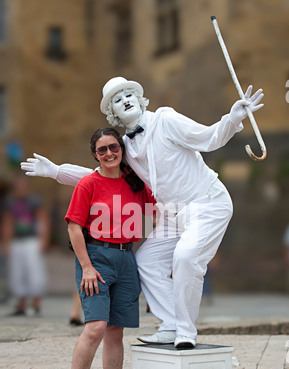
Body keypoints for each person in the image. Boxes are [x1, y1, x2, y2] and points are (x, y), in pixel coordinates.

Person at [20, 76, 264, 349]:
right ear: (113, 112)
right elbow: (98, 176)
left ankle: (186, 330)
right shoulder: (125, 148)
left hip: (207, 203)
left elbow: (207, 138)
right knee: (146, 260)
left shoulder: (166, 119)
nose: (124, 100)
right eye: (117, 99)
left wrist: (231, 119)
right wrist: (56, 172)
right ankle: (170, 323)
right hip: (172, 214)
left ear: (139, 99)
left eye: (128, 95)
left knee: (186, 258)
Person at [64, 127, 155, 369]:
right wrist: (87, 267)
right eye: (102, 150)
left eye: (113, 147)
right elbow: (74, 226)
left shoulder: (137, 185)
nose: (109, 154)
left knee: (116, 330)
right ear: (95, 155)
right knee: (95, 328)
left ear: (122, 149)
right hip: (96, 257)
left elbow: (159, 213)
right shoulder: (89, 183)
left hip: (127, 258)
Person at [1, 174, 49, 315]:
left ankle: (36, 303)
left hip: (32, 241)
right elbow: (7, 222)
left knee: (35, 271)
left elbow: (42, 220)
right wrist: (6, 242)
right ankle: (21, 304)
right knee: (17, 273)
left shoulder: (34, 201)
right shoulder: (10, 202)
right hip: (16, 241)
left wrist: (44, 239)